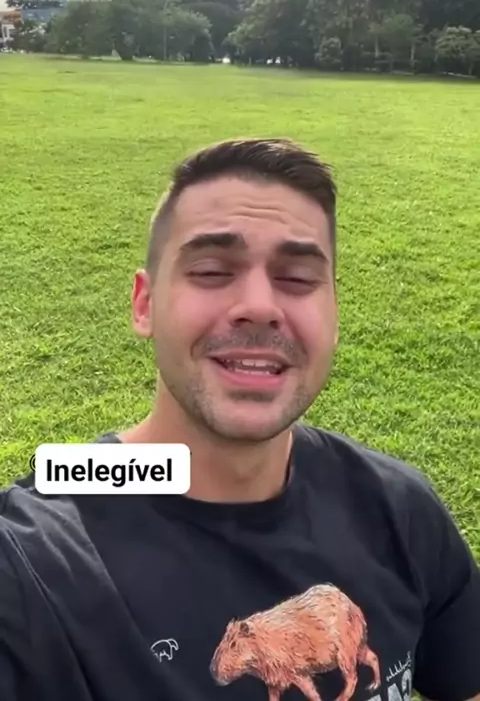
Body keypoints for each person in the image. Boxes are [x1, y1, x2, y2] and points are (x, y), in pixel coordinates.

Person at [0, 137, 478, 701]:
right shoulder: (30, 570)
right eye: (211, 270)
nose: (259, 306)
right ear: (144, 304)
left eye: (297, 278)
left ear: (333, 310)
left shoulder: (399, 508)